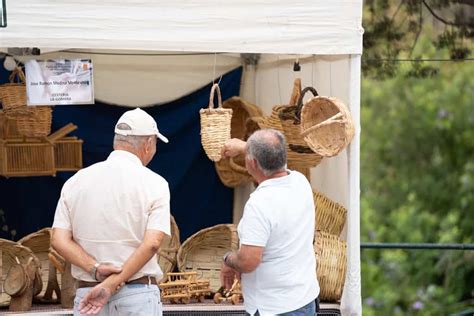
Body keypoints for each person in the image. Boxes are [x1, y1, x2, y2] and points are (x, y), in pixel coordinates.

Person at [51, 108, 171, 316]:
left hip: (88, 294)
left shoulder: (76, 181)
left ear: (117, 142)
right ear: (148, 144)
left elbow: (58, 239)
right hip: (137, 296)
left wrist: (95, 268)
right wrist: (112, 283)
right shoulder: (155, 183)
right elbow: (152, 243)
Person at [220, 129, 320, 316]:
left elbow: (248, 261)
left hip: (274, 308)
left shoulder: (259, 203)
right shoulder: (300, 182)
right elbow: (274, 158)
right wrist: (243, 147)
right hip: (304, 299)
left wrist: (228, 260)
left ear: (253, 163)